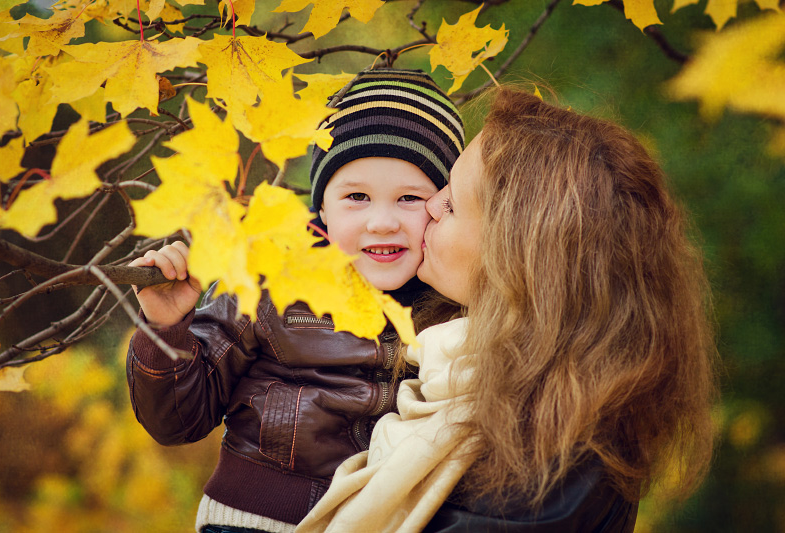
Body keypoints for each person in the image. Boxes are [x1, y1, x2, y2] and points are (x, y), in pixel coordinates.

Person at [297, 87, 718, 532]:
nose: (430, 205)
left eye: (452, 204)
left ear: (515, 255)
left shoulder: (552, 463)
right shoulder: (458, 372)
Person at [125, 68, 465, 533]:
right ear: (321, 207)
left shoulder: (456, 299)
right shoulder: (269, 277)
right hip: (257, 523)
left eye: (409, 198)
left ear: (443, 206)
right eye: (357, 196)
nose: (382, 222)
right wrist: (166, 330)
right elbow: (176, 422)